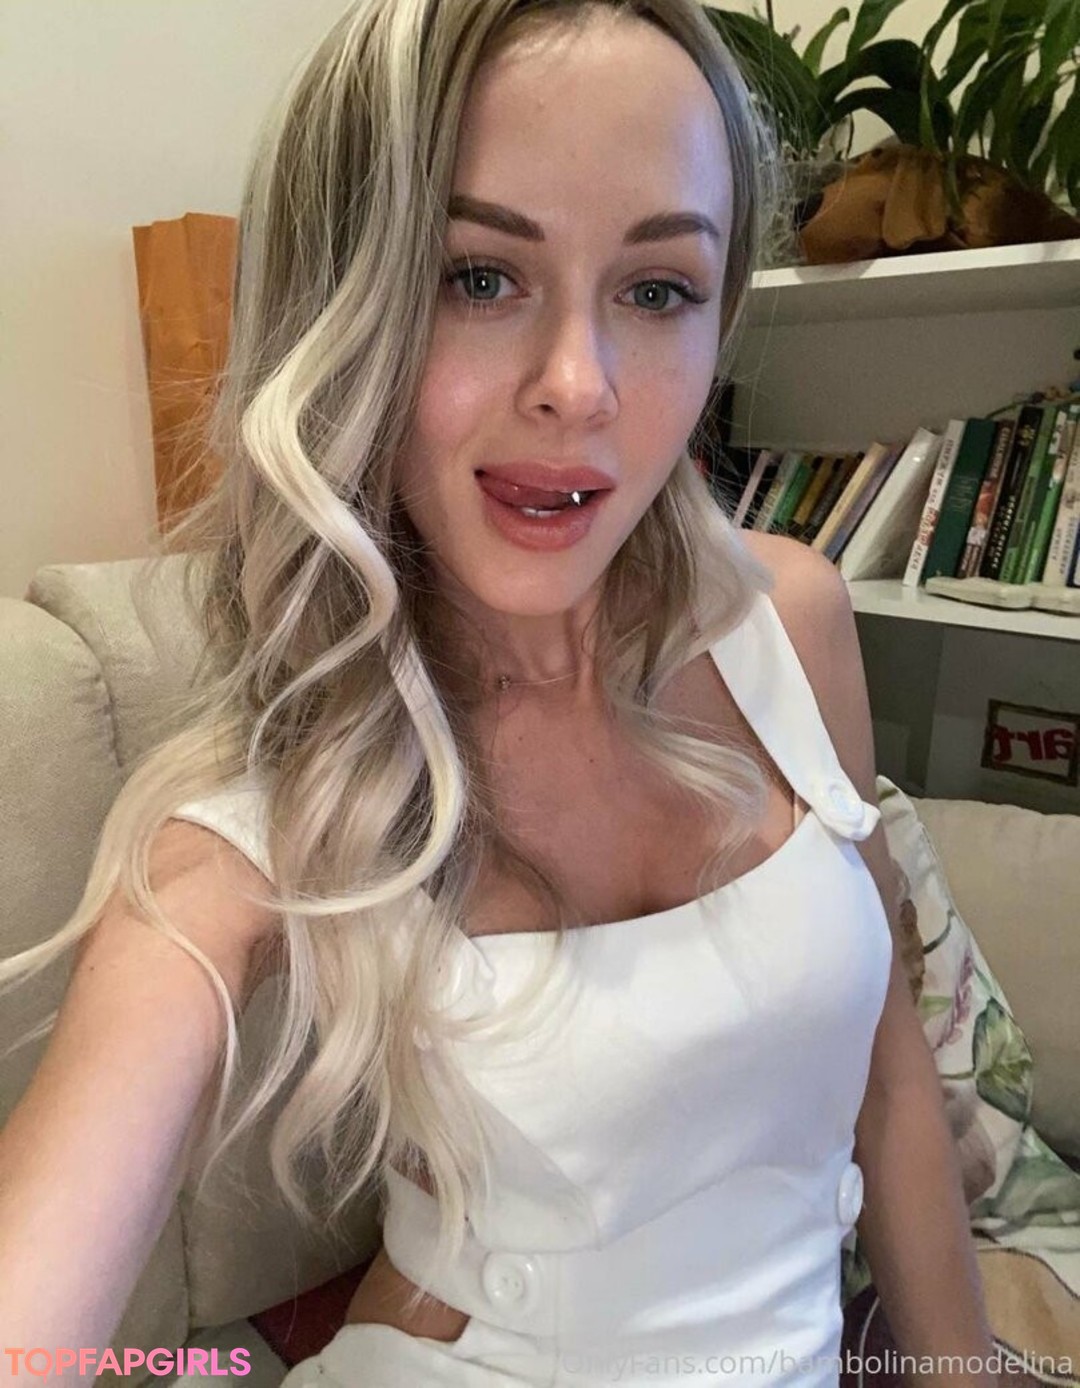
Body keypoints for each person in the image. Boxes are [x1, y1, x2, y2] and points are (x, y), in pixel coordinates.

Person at [0, 1, 998, 1385]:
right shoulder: (258, 829)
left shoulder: (791, 622)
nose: (578, 388)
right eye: (478, 276)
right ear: (340, 313)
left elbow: (885, 1075)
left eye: (658, 290)